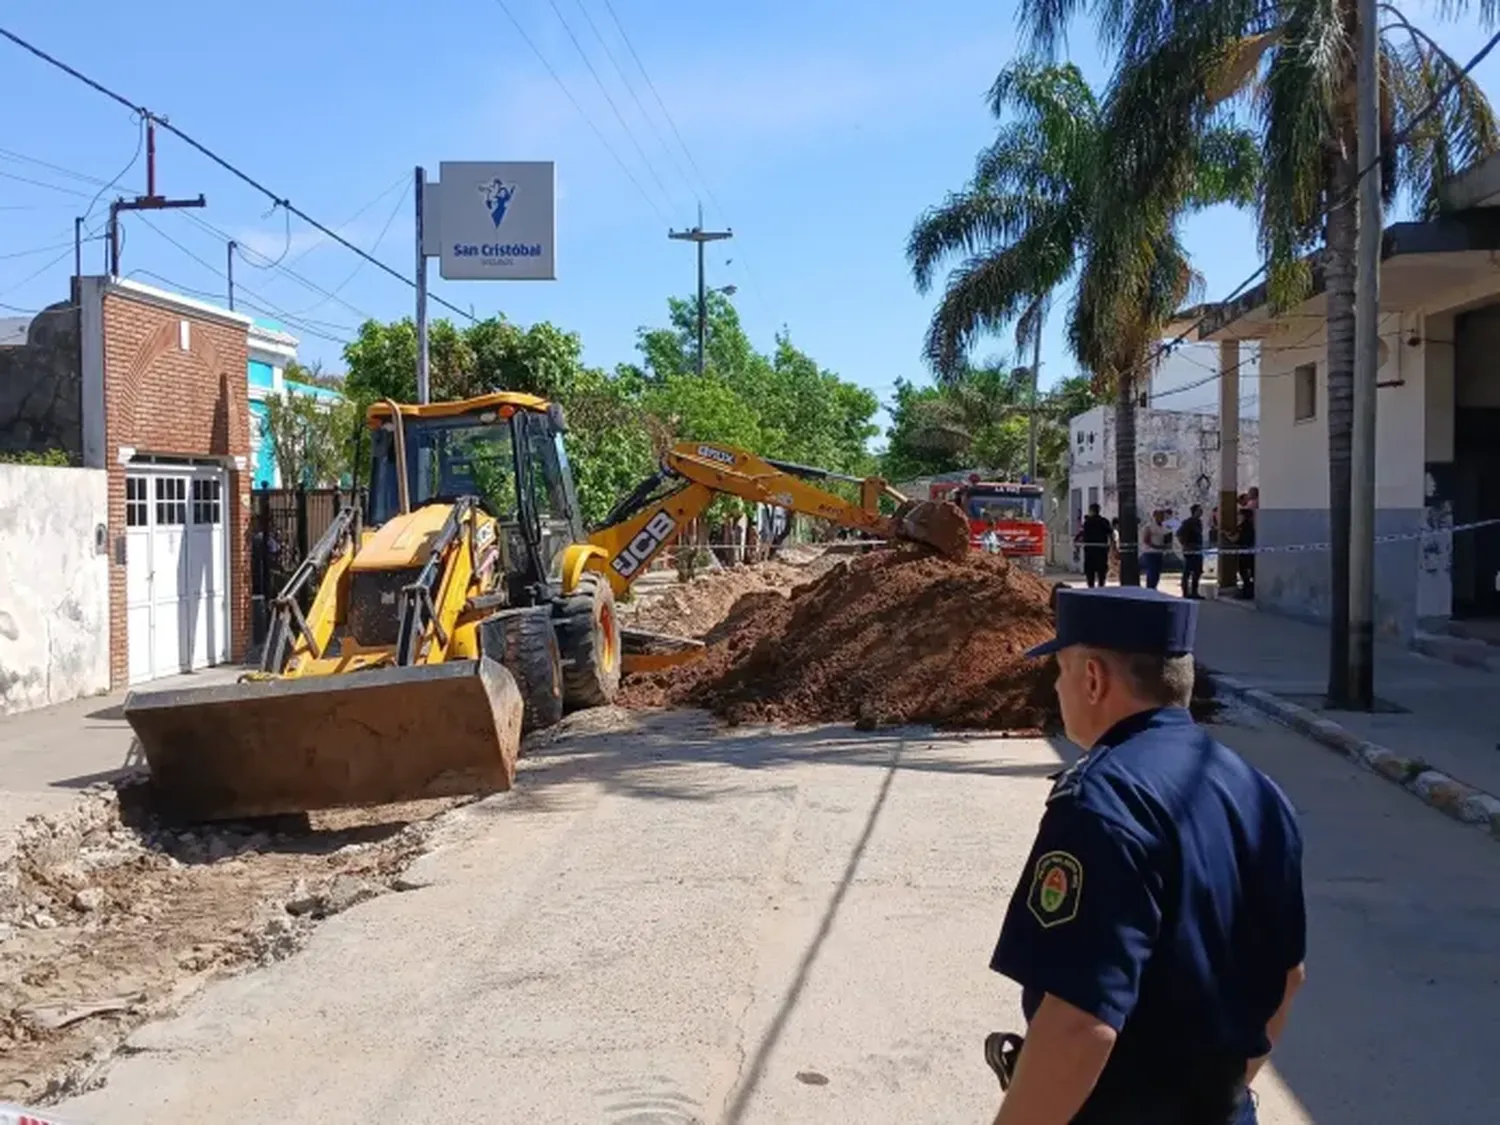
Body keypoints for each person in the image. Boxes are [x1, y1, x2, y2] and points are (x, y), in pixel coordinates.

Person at [982, 587, 1306, 1125]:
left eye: (1059, 673)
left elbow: (1078, 1024)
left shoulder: (1100, 803)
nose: (1057, 689)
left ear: (1092, 678)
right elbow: (1289, 976)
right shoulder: (1259, 792)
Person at [1075, 504, 1113, 589]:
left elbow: (1081, 535)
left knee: (1090, 572)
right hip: (1101, 551)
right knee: (1101, 571)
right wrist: (1112, 546)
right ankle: (1101, 587)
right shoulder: (1104, 521)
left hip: (1090, 551)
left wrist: (1076, 545)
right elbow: (1111, 534)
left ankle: (1091, 588)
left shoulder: (1087, 522)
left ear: (1091, 511)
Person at [1177, 504, 1205, 600]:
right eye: (1199, 510)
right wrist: (1185, 545)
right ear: (1194, 511)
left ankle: (1194, 592)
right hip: (1190, 549)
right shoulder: (1187, 522)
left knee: (1197, 571)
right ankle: (1185, 592)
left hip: (1198, 549)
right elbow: (1179, 534)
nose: (1201, 512)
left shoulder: (1199, 522)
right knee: (1187, 571)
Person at [1139, 510, 1169, 590]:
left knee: (1157, 573)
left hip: (1159, 553)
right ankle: (1150, 589)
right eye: (1160, 515)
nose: (1162, 517)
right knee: (1152, 572)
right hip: (1150, 553)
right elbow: (1146, 540)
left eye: (1163, 516)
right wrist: (1157, 547)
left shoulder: (1163, 527)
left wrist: (1165, 546)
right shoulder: (1149, 526)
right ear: (1155, 516)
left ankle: (1154, 587)